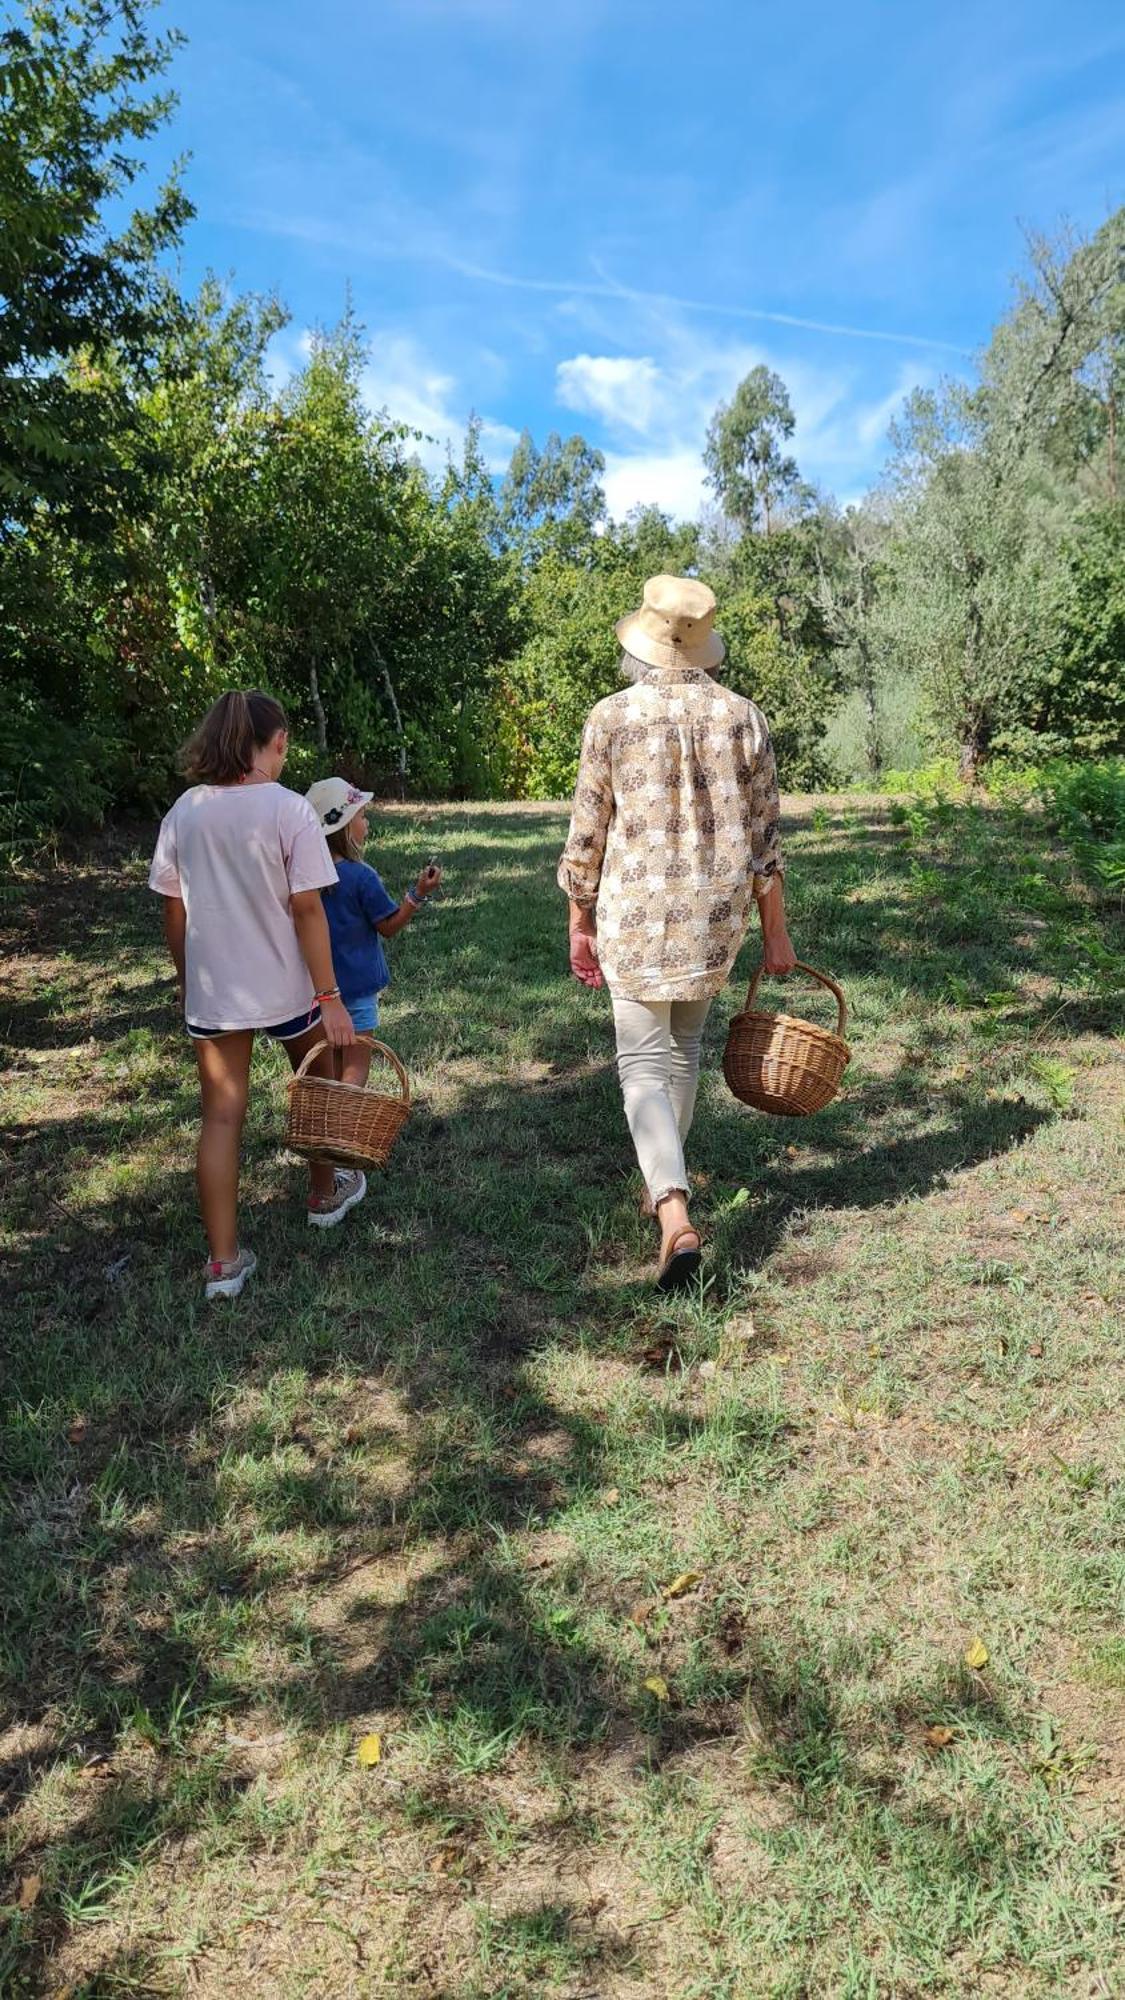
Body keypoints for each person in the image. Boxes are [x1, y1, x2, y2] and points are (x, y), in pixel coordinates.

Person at [558, 574, 797, 1291]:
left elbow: (587, 831)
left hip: (632, 911)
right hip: (712, 913)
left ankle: (672, 1212)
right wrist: (775, 933)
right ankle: (662, 1180)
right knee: (683, 1047)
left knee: (641, 1063)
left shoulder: (611, 717)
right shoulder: (743, 717)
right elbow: (766, 840)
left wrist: (579, 919)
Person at [149, 690, 365, 1302]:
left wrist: (188, 979)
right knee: (317, 1079)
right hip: (287, 989)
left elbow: (174, 910)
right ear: (277, 744)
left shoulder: (184, 812)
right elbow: (307, 910)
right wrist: (330, 996)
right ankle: (325, 1192)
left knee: (220, 1115)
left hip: (214, 994)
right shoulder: (289, 810)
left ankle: (224, 1262)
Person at [305, 777, 442, 1085]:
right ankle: (348, 1128)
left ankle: (330, 1123)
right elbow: (389, 926)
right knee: (356, 1064)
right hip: (359, 990)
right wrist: (418, 894)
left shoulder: (305, 877)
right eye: (362, 817)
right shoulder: (361, 877)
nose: (366, 824)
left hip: (319, 992)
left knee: (332, 1065)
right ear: (343, 827)